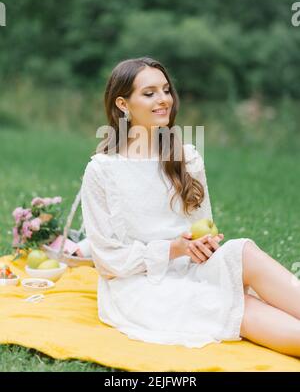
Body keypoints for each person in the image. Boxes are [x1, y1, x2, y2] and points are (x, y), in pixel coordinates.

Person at [81, 57, 300, 356]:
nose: (163, 100)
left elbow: (203, 226)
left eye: (166, 90)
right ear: (123, 104)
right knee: (238, 305)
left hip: (192, 268)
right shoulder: (102, 171)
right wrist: (173, 249)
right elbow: (108, 262)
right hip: (142, 287)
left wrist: (201, 244)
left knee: (244, 252)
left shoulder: (187, 156)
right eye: (149, 93)